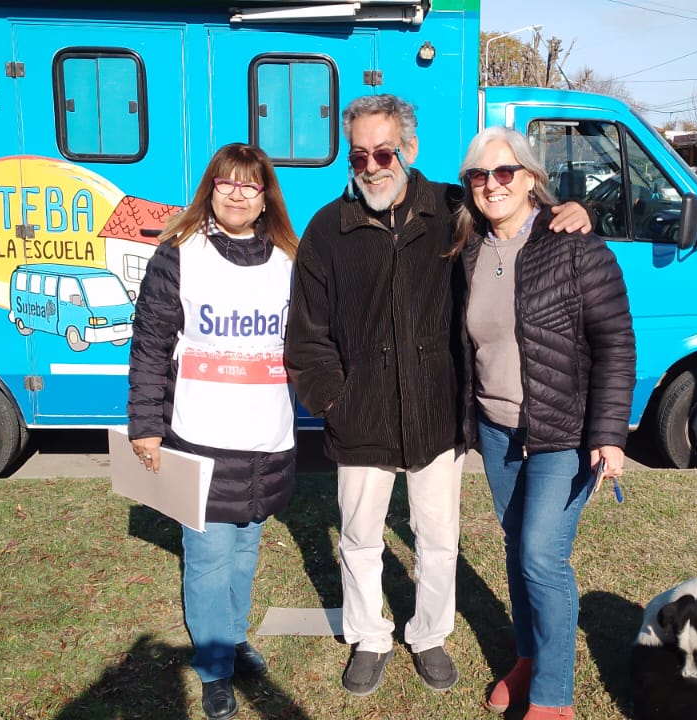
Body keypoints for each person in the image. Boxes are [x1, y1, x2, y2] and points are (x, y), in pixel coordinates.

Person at [285, 94, 591, 697]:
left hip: (437, 412)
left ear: (410, 148)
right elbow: (306, 332)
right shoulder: (327, 228)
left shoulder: (454, 209)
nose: (371, 167)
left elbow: (517, 215)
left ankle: (429, 635)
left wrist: (570, 209)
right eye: (358, 156)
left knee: (438, 538)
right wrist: (332, 400)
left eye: (383, 153)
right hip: (360, 416)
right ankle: (369, 637)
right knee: (360, 538)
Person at [451, 127, 635, 720]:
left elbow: (615, 342)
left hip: (565, 431)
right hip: (498, 429)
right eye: (479, 175)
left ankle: (554, 699)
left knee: (540, 556)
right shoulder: (470, 248)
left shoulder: (574, 245)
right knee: (516, 548)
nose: (492, 185)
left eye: (505, 172)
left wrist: (609, 435)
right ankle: (529, 657)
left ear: (531, 178)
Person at [127, 143, 300, 720]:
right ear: (211, 189)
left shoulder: (289, 257)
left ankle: (234, 636)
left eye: (250, 185)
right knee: (208, 556)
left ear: (265, 197)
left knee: (245, 549)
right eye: (226, 182)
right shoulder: (180, 253)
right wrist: (146, 426)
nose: (237, 194)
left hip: (267, 438)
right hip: (199, 435)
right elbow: (150, 344)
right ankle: (214, 666)